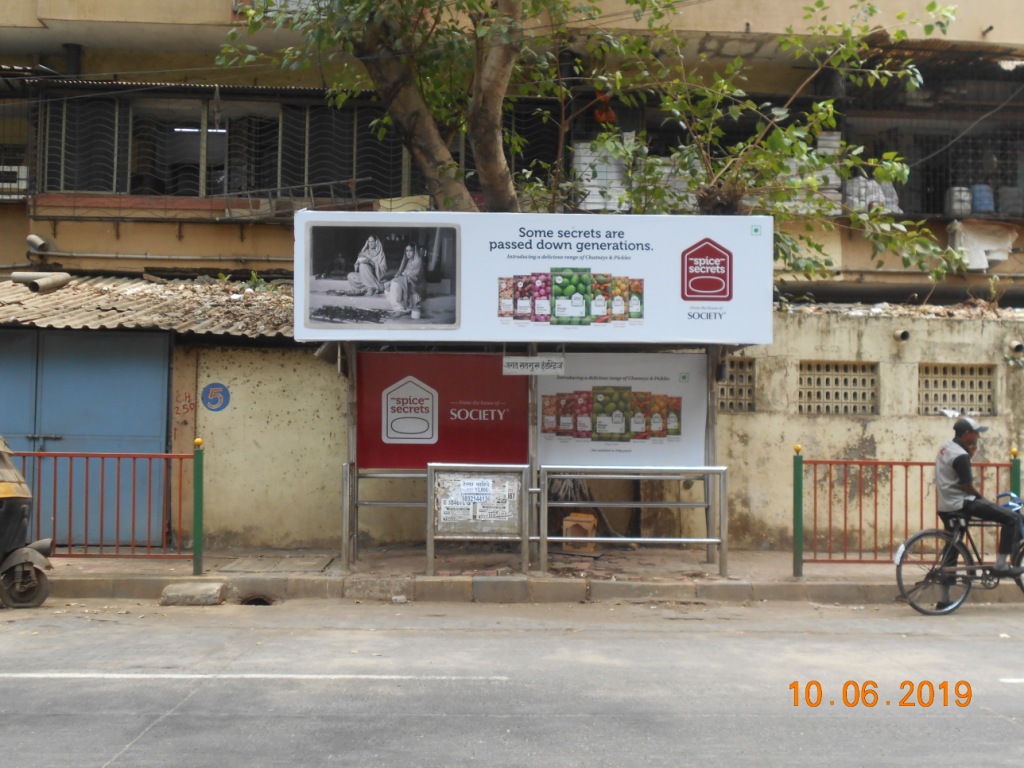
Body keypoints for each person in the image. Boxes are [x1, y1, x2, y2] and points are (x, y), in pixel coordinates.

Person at [935, 417, 1023, 577]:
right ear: (967, 433)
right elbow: (967, 487)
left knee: (953, 548)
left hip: (945, 505)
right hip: (961, 504)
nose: (978, 436)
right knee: (1012, 518)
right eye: (976, 433)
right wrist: (982, 499)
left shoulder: (946, 447)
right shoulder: (961, 456)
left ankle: (946, 590)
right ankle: (1001, 565)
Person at [385, 243, 426, 315]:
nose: (408, 253)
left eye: (410, 251)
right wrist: (400, 277)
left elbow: (414, 277)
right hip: (407, 281)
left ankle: (399, 308)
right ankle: (399, 308)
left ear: (414, 251)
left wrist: (401, 278)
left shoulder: (418, 261)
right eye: (407, 251)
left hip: (415, 285)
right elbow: (405, 273)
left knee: (395, 283)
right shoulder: (409, 261)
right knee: (392, 285)